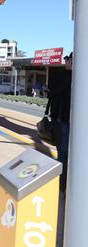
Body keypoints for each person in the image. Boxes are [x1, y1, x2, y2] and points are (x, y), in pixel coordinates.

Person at [48, 52, 72, 192]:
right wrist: (69, 72)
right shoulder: (60, 75)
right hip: (62, 120)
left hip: (74, 122)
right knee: (63, 153)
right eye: (69, 60)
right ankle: (62, 186)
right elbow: (55, 88)